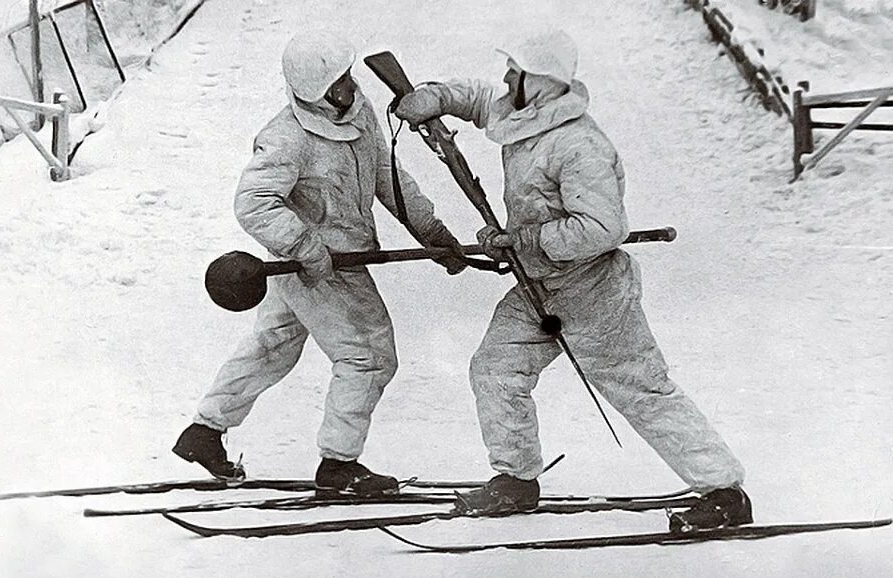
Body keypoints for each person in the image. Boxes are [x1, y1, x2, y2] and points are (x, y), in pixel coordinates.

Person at [394, 28, 751, 531]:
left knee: (641, 389)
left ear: (539, 83)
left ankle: (723, 492)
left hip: (594, 290)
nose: (505, 78)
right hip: (539, 284)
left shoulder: (580, 146)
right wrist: (434, 97)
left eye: (515, 71)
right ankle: (516, 481)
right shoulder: (524, 113)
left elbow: (604, 228)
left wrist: (526, 239)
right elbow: (478, 99)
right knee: (496, 369)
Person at [172, 32, 465, 496]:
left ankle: (204, 432)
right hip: (317, 268)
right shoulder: (287, 137)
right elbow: (254, 203)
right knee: (368, 358)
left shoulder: (361, 115)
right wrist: (307, 249)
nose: (351, 85)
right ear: (314, 88)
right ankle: (339, 466)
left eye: (348, 75)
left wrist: (432, 233)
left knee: (273, 346)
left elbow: (388, 178)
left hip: (326, 262)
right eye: (339, 80)